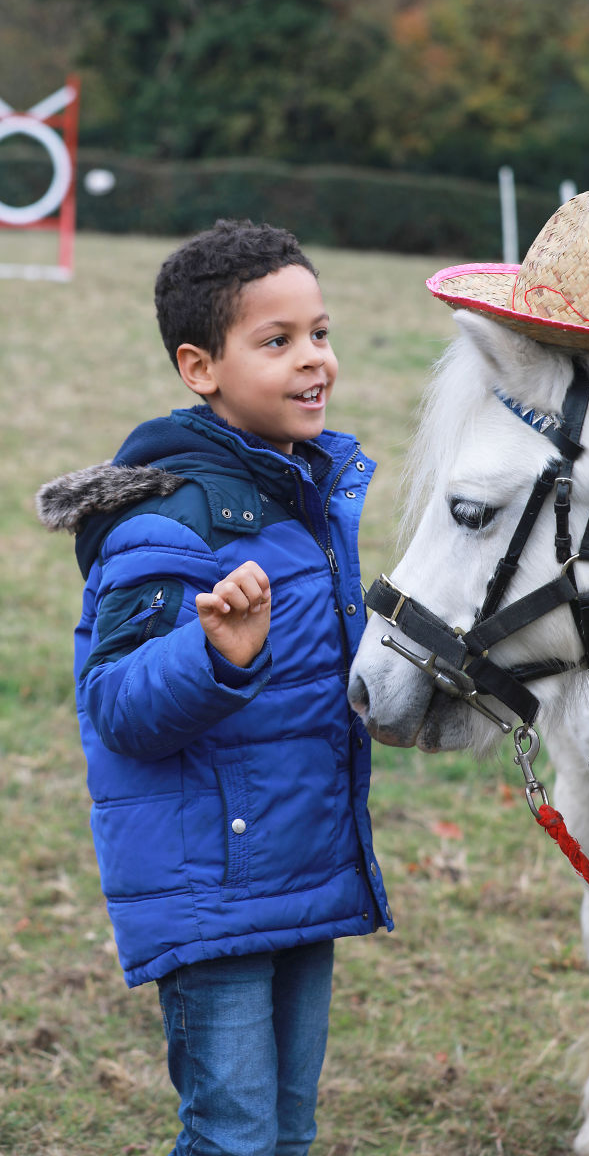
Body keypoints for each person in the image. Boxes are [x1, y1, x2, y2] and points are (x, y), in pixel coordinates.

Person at [36, 219, 392, 1156]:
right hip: (212, 882)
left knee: (287, 1131)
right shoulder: (169, 516)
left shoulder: (302, 496)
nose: (314, 361)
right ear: (201, 368)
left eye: (319, 332)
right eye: (276, 343)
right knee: (232, 1133)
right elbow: (117, 701)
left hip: (301, 865)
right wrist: (218, 657)